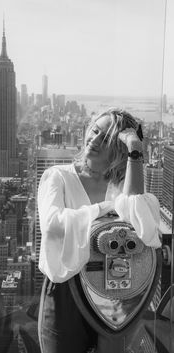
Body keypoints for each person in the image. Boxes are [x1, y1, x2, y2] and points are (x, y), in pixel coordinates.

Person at [37, 108, 161, 353]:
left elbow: (142, 225)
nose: (93, 140)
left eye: (105, 139)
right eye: (94, 131)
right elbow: (52, 225)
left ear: (118, 149)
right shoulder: (57, 176)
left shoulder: (121, 185)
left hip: (116, 295)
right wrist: (104, 210)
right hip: (66, 291)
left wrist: (135, 150)